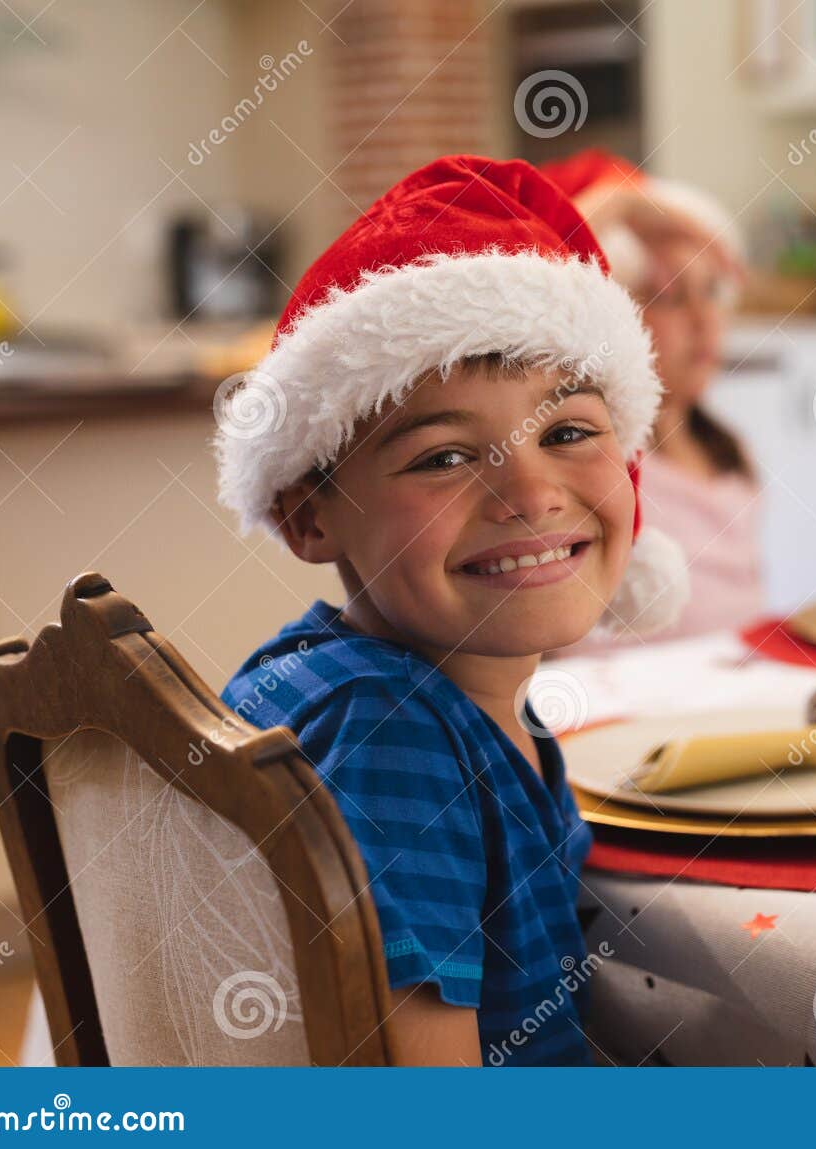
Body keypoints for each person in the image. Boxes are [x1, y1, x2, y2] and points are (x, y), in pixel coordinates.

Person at [216, 156, 688, 1065]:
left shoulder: (370, 685)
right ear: (309, 515)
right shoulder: (390, 737)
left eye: (567, 432)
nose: (531, 494)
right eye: (442, 457)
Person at [543, 150, 765, 644]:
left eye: (712, 292)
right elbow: (540, 282)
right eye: (671, 296)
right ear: (616, 314)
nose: (704, 320)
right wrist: (621, 204)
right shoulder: (596, 459)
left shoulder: (727, 451)